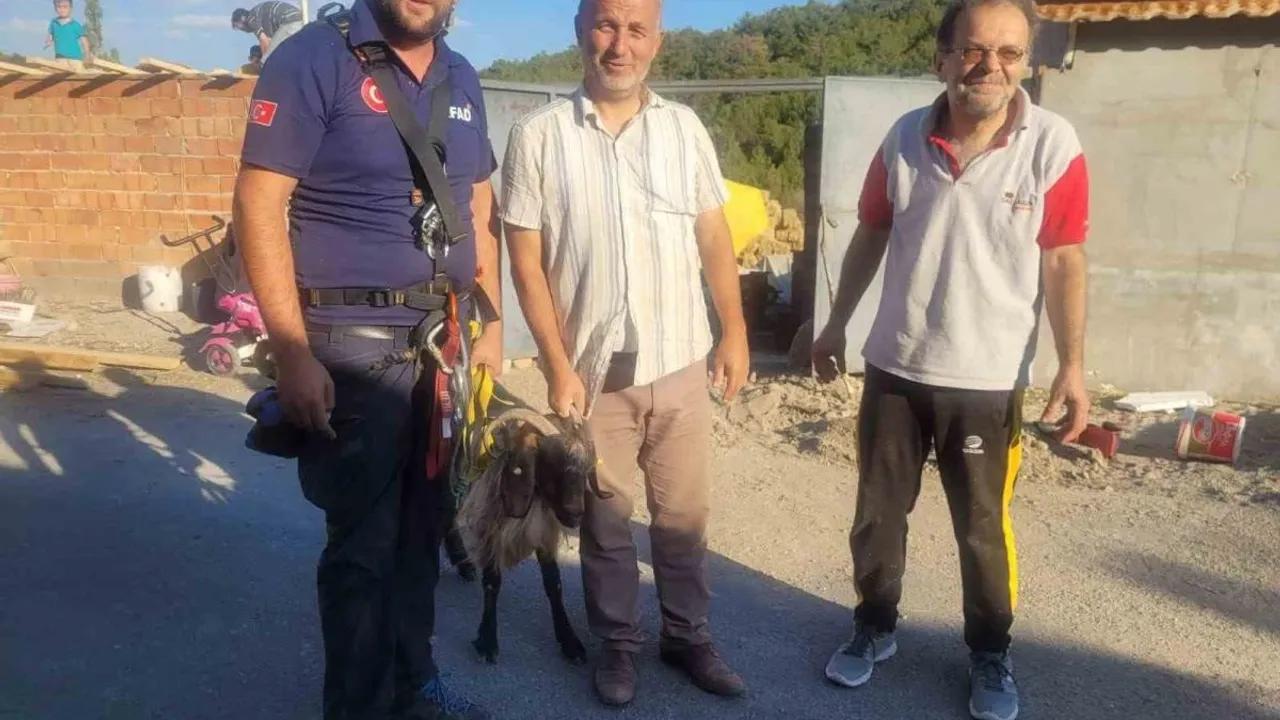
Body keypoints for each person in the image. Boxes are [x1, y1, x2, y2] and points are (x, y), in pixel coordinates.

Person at [811, 0, 1091, 718]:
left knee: (982, 529)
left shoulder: (1052, 145)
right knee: (877, 515)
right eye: (972, 50)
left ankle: (990, 653)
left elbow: (1064, 260)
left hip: (989, 383)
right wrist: (835, 325)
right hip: (895, 368)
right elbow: (871, 234)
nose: (989, 66)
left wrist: (1072, 365)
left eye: (1008, 52)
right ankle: (874, 628)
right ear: (942, 59)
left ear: (1025, 63)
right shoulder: (903, 138)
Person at [232, 0, 502, 718]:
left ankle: (414, 686)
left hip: (442, 342)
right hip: (352, 344)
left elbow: (478, 209)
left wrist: (492, 327)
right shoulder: (313, 58)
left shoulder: (462, 76)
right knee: (363, 548)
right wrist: (292, 352)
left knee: (423, 531)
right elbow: (258, 204)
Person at [500, 0, 752, 708]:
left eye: (636, 29)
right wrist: (556, 364)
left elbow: (713, 237)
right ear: (581, 32)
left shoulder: (683, 129)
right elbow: (526, 262)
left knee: (683, 518)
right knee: (608, 527)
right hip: (594, 374)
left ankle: (687, 636)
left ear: (656, 42)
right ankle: (618, 645)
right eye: (606, 25)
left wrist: (734, 330)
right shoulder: (539, 135)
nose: (620, 44)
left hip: (679, 361)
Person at [231, 1, 306, 64]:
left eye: (240, 28)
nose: (244, 31)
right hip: (298, 21)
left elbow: (263, 40)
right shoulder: (259, 17)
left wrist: (264, 61)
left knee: (267, 61)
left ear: (243, 19)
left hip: (289, 22)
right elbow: (270, 41)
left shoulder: (251, 19)